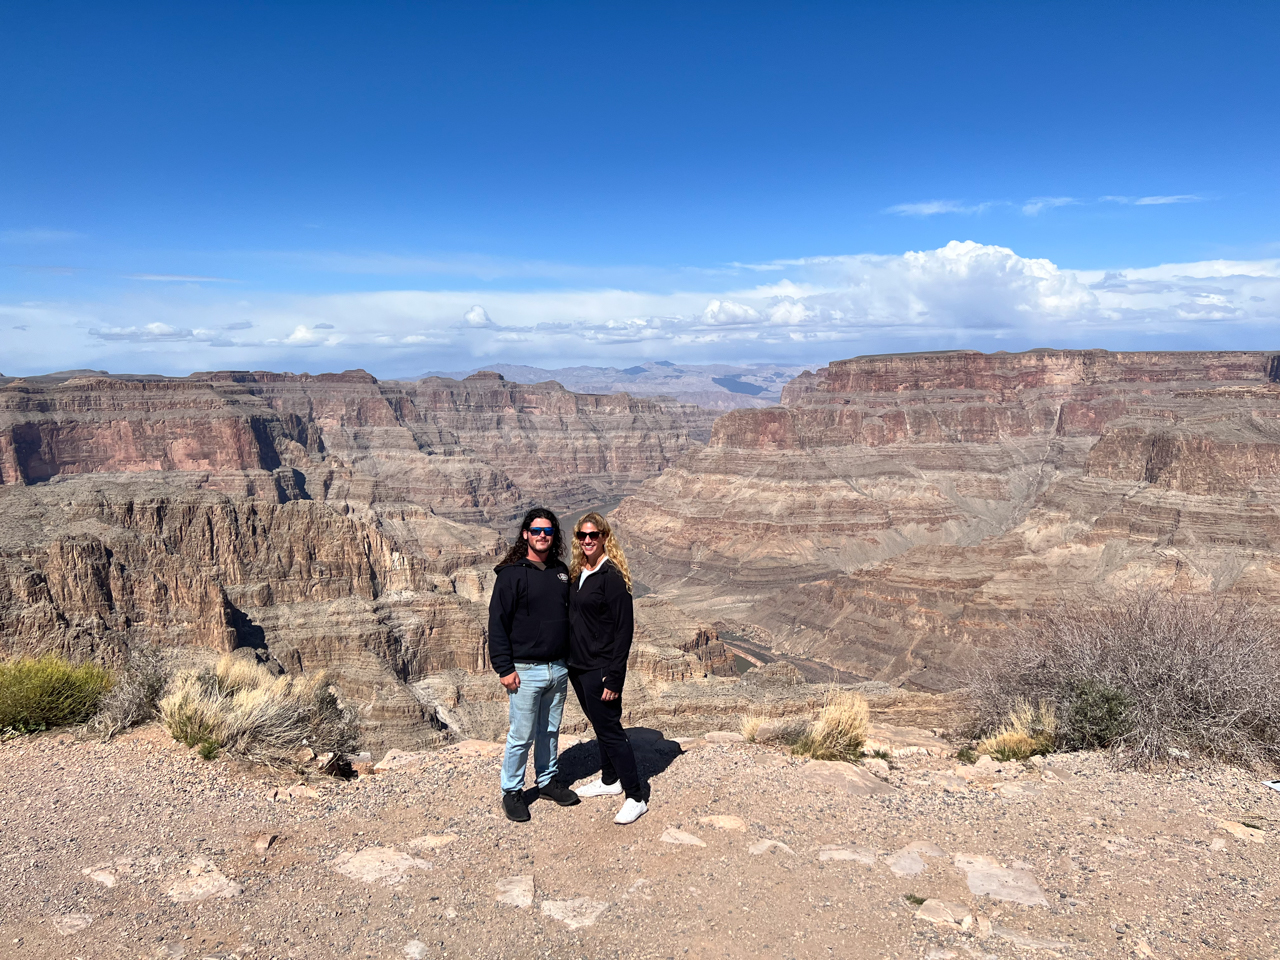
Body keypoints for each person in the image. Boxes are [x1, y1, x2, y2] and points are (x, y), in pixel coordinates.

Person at [488, 507, 581, 822]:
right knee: (522, 734)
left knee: (550, 730)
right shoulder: (511, 574)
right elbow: (497, 625)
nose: (543, 535)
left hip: (558, 668)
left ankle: (547, 781)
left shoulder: (560, 571)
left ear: (554, 535)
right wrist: (504, 668)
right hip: (525, 671)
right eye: (536, 530)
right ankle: (512, 791)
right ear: (526, 534)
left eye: (548, 531)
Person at [567, 511, 646, 824]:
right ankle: (610, 780)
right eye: (582, 536)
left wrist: (614, 677)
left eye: (594, 535)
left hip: (600, 669)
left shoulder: (611, 576)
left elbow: (623, 631)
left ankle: (636, 796)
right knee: (599, 726)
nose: (588, 540)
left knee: (611, 731)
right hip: (578, 665)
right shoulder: (580, 570)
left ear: (604, 537)